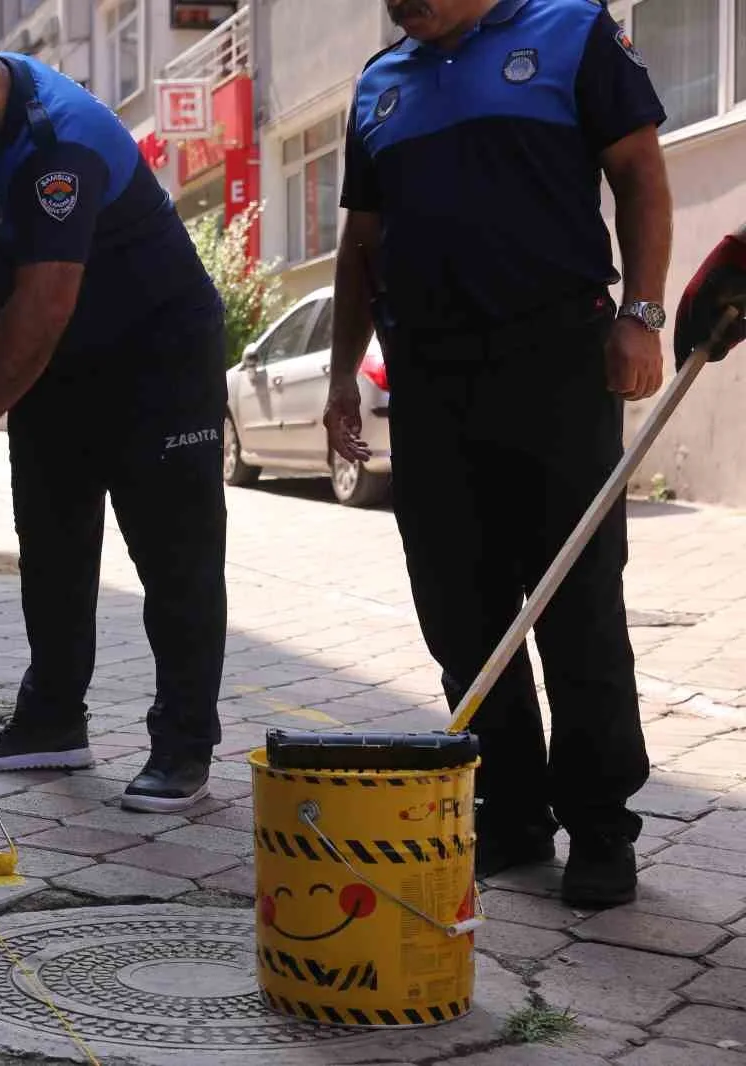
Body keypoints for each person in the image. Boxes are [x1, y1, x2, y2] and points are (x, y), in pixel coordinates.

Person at [324, 0, 672, 907]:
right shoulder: (379, 83)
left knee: (575, 597)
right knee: (461, 610)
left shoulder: (570, 31)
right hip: (430, 380)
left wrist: (642, 314)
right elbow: (361, 246)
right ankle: (513, 813)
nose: (403, 4)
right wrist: (336, 383)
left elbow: (637, 173)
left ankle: (601, 826)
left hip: (556, 357)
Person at [0, 21, 229, 812]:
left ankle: (183, 743)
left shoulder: (60, 143)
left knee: (174, 558)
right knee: (53, 541)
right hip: (59, 365)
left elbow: (40, 308)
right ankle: (52, 722)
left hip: (157, 357)